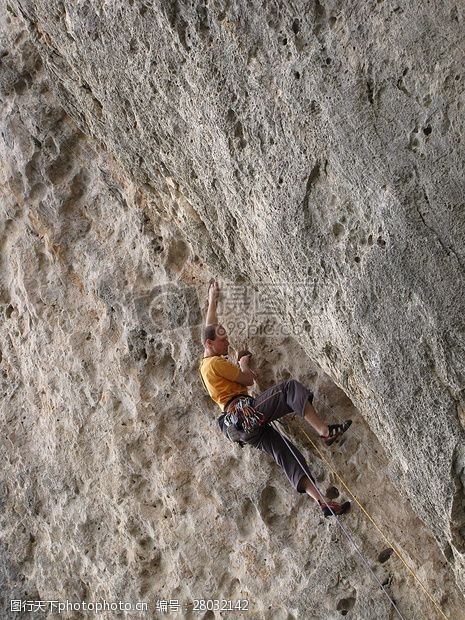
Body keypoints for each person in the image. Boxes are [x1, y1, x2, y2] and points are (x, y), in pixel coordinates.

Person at [199, 279, 353, 518]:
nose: (227, 342)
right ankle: (324, 431)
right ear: (211, 344)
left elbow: (209, 326)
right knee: (289, 390)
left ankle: (322, 501)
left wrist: (213, 299)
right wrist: (243, 362)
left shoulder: (204, 363)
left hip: (238, 429)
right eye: (223, 340)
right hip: (243, 413)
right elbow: (247, 380)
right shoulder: (216, 363)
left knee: (285, 453)